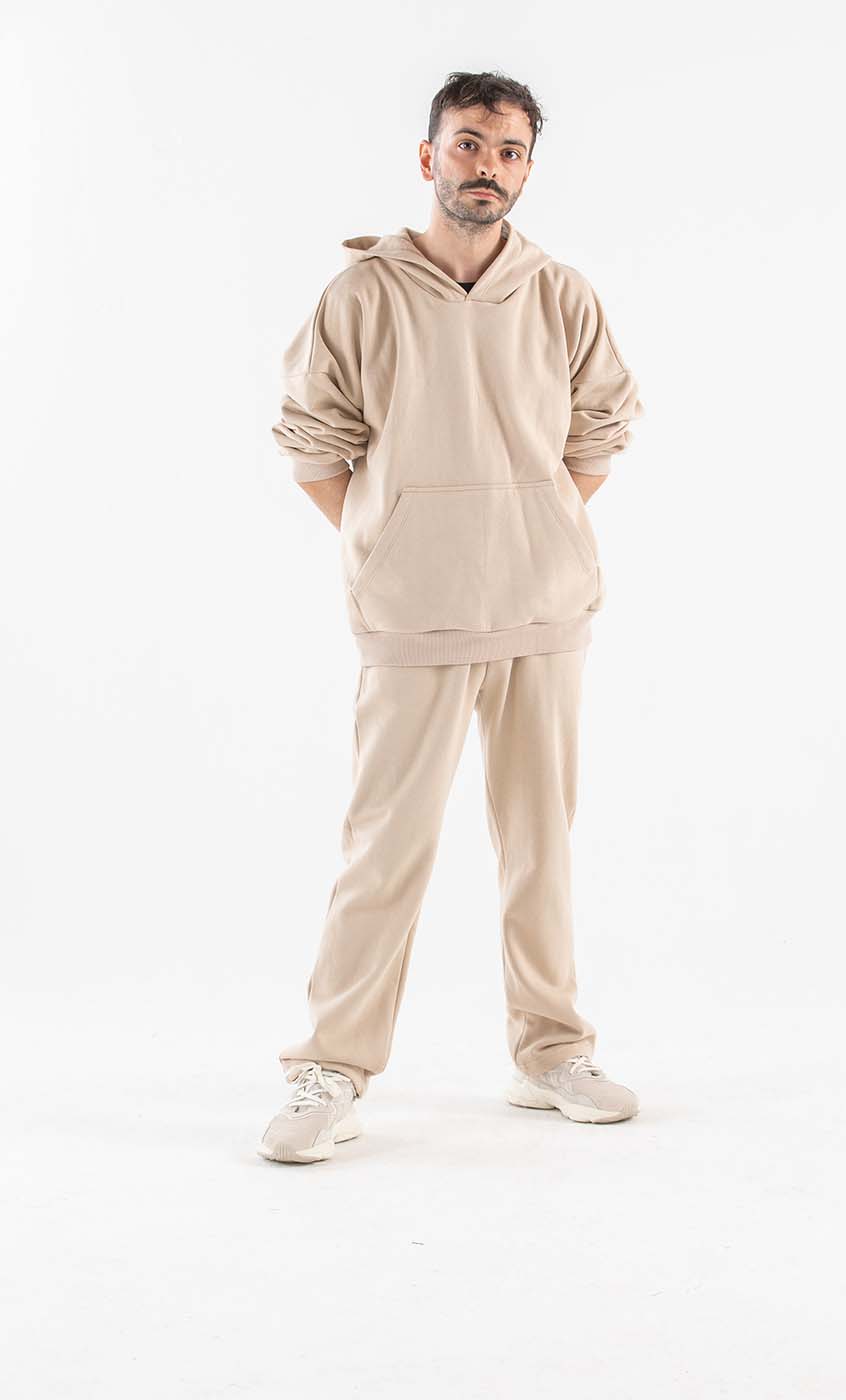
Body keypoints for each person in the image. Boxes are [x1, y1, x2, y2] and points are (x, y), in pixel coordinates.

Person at [258, 70, 646, 1165]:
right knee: (385, 846)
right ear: (429, 157)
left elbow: (601, 426)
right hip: (412, 614)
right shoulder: (361, 296)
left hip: (542, 608)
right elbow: (312, 443)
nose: (489, 166)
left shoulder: (560, 293)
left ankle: (551, 1051)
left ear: (528, 169)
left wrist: (537, 527)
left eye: (510, 150)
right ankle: (331, 1067)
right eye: (470, 143)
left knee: (540, 846)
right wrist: (392, 539)